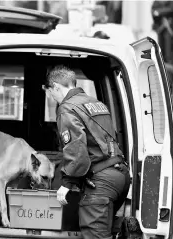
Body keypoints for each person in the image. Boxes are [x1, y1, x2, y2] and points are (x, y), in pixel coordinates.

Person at [44, 65, 130, 239]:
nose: (51, 97)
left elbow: (76, 150)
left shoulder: (67, 108)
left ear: (56, 87)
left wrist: (66, 183)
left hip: (101, 182)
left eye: (50, 92)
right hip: (120, 175)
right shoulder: (96, 104)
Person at [151, 0, 173, 64]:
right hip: (160, 28)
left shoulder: (172, 2)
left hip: (169, 29)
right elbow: (153, 11)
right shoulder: (157, 2)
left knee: (169, 53)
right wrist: (164, 12)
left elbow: (172, 9)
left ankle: (170, 69)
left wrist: (159, 12)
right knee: (160, 52)